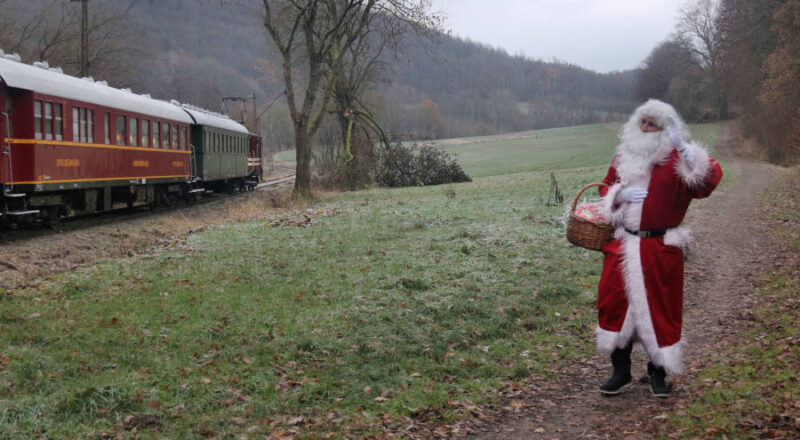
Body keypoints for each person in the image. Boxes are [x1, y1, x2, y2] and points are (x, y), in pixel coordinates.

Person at [594, 99, 723, 398]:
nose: (647, 128)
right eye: (644, 122)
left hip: (659, 248)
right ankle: (621, 370)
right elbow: (604, 187)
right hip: (624, 245)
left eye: (655, 124)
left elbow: (707, 181)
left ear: (667, 128)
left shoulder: (678, 160)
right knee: (615, 305)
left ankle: (658, 372)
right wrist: (618, 193)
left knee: (660, 311)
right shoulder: (622, 157)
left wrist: (686, 149)